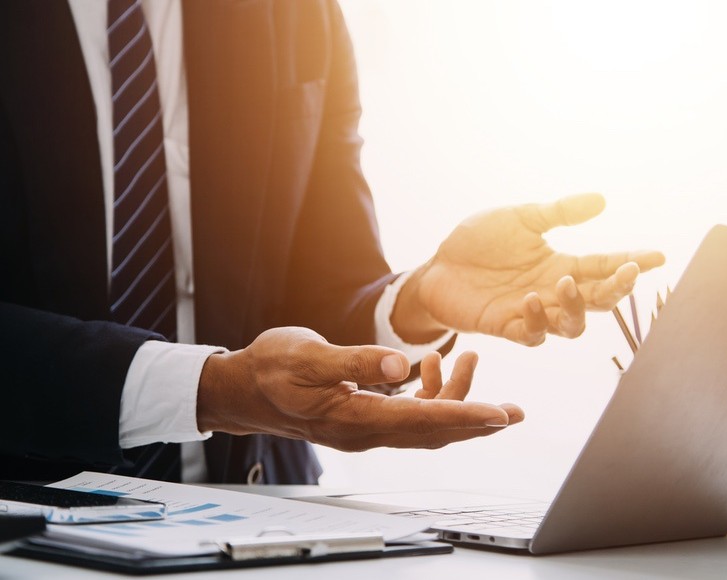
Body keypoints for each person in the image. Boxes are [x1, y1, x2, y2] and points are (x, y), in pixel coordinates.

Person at [0, 0, 663, 484]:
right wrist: (215, 389)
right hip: (34, 520)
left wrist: (415, 301)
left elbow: (321, 289)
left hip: (267, 519)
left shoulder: (297, 13)